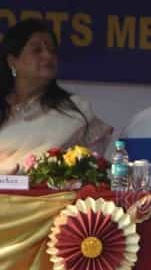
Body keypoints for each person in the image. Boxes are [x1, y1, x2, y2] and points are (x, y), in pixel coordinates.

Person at [0, 18, 112, 173]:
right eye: (37, 50)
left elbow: (92, 169)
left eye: (52, 50)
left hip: (50, 196)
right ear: (13, 61)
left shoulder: (74, 111)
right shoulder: (4, 108)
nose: (47, 56)